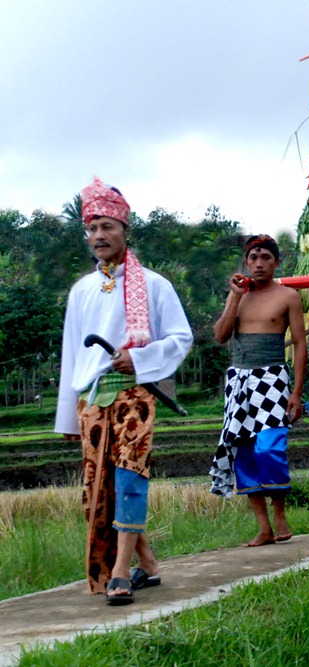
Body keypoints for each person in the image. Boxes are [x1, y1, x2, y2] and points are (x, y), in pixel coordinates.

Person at [55, 178, 193, 604]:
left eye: (107, 227)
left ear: (124, 230)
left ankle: (119, 571)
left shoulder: (154, 284)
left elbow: (180, 337)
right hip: (91, 401)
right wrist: (67, 418)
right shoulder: (80, 290)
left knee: (130, 477)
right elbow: (72, 357)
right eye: (93, 228)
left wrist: (140, 358)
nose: (99, 236)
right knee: (101, 489)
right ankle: (147, 564)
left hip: (135, 393)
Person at [209, 234, 307, 546]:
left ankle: (280, 515)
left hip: (273, 379)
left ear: (277, 262)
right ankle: (263, 527)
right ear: (246, 263)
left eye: (266, 258)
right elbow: (221, 336)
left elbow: (301, 345)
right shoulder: (237, 295)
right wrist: (235, 297)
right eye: (254, 258)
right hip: (239, 381)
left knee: (270, 448)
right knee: (245, 452)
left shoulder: (289, 296)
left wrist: (297, 392)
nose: (260, 264)